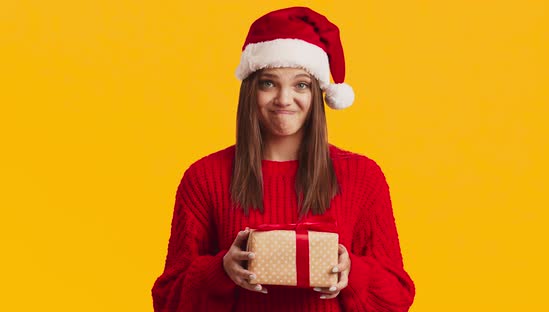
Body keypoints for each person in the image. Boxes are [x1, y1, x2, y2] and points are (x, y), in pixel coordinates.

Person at [151, 6, 415, 312]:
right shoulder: (205, 177)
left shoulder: (362, 176)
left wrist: (351, 272)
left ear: (318, 94)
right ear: (251, 90)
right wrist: (221, 271)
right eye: (269, 83)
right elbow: (166, 300)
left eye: (301, 84)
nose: (284, 99)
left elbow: (397, 298)